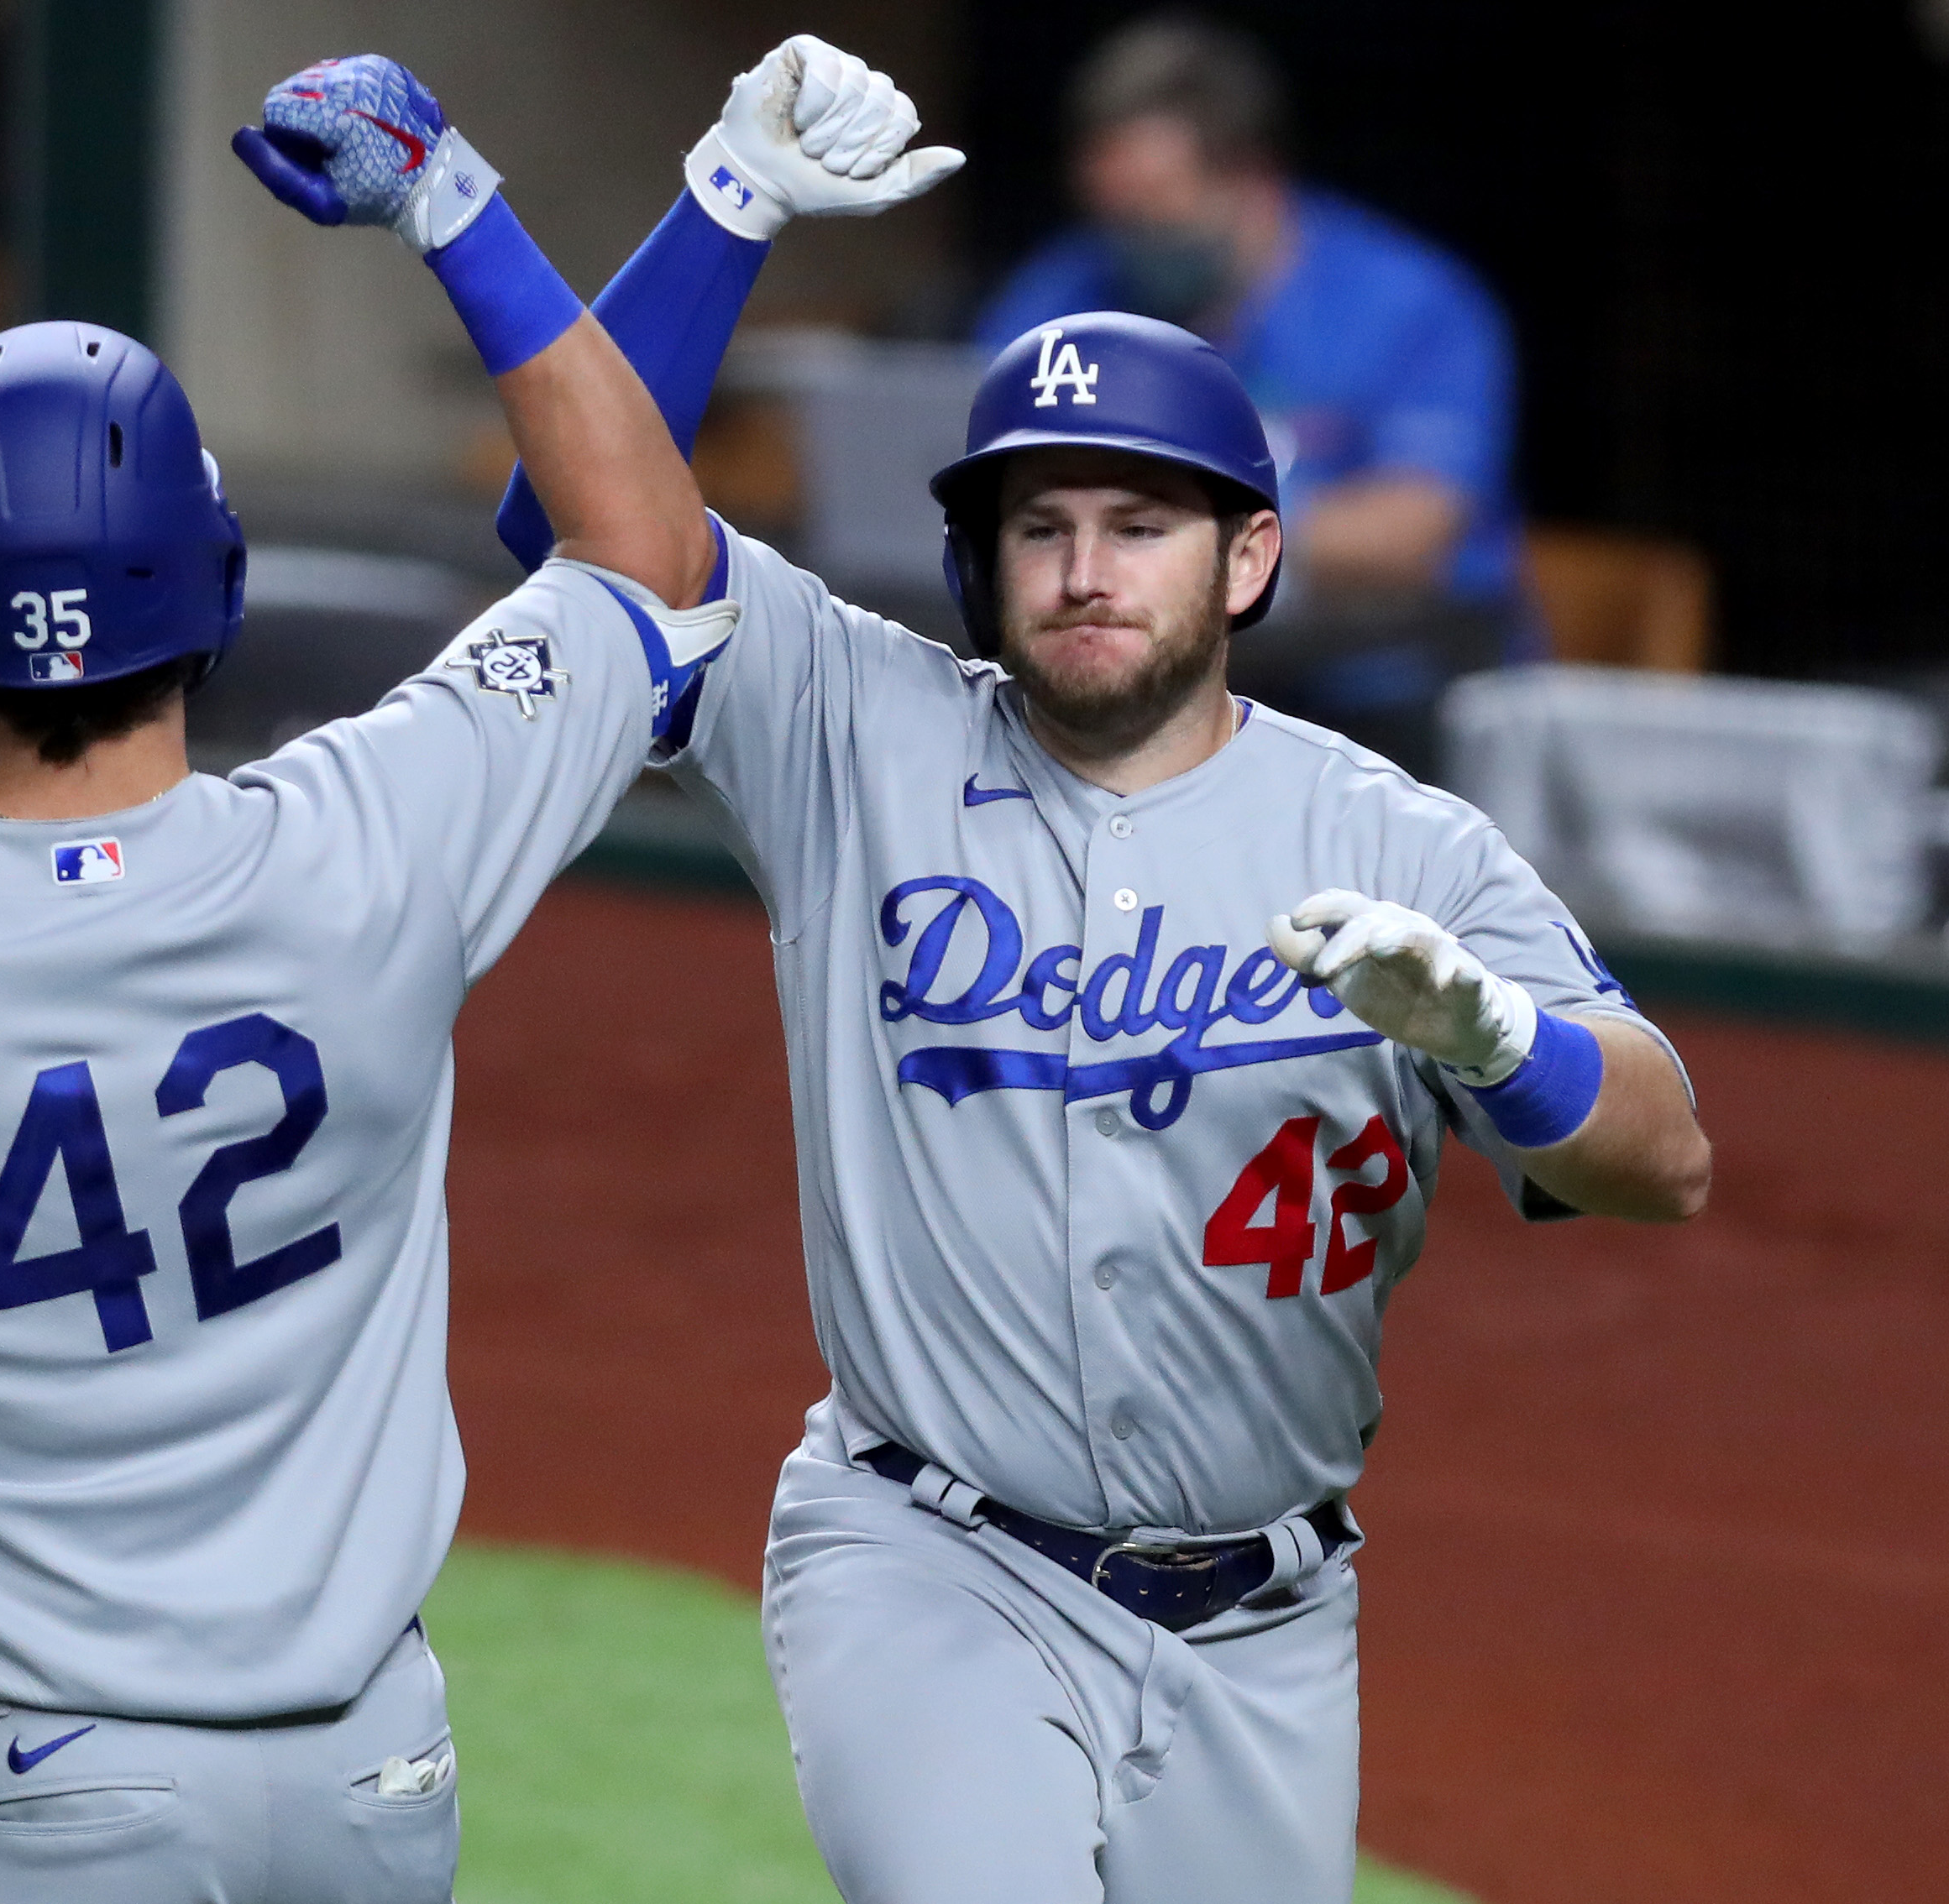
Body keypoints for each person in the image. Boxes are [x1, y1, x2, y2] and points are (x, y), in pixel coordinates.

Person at [0, 52, 803, 1904]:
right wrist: (449, 199)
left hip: (37, 1794)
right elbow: (644, 548)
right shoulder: (379, 830)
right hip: (370, 1779)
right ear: (210, 584)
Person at [498, 35, 1711, 1904]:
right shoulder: (848, 726)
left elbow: (1659, 1159)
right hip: (928, 1562)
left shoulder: (1399, 844)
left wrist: (1495, 1033)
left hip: (1266, 1627)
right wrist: (723, 208)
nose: (1078, 570)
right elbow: (577, 536)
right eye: (1035, 527)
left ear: (1245, 559)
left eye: (1135, 526)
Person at [973, 13, 1527, 768]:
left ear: (1251, 177)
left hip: (1382, 706)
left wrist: (1162, 526)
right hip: (1145, 697)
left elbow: (1410, 529)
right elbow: (979, 461)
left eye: (1156, 206)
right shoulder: (1067, 286)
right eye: (1112, 212)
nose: (1131, 238)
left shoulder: (1410, 303)